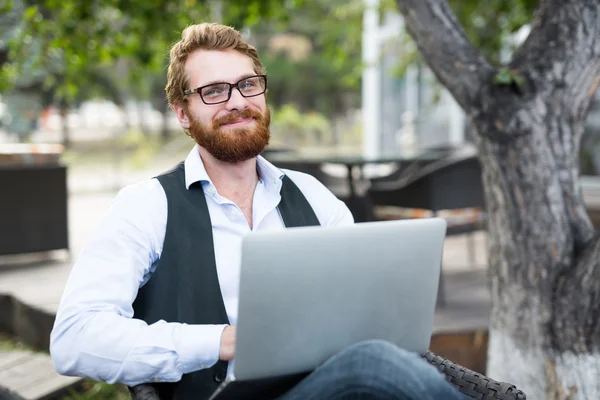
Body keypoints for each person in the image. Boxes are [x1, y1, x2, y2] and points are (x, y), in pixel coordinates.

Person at [49, 22, 467, 400]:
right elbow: (73, 338)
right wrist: (224, 341)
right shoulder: (147, 205)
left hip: (324, 387)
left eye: (248, 84)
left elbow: (366, 310)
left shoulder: (313, 196)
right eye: (213, 91)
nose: (236, 101)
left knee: (381, 364)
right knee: (373, 365)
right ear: (182, 114)